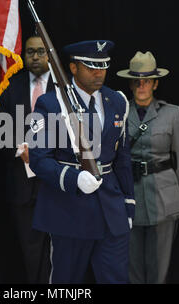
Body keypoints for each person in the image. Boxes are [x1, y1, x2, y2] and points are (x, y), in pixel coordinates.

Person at [29, 40, 135, 283]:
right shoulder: (51, 104)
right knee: (67, 281)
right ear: (73, 68)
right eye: (91, 67)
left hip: (111, 209)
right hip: (68, 208)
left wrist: (128, 204)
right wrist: (73, 177)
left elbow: (122, 158)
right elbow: (38, 159)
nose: (99, 73)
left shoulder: (117, 101)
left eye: (103, 66)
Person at [117, 51, 179, 283]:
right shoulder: (119, 112)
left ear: (155, 83)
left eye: (147, 80)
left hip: (164, 194)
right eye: (137, 81)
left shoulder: (172, 114)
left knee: (159, 268)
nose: (142, 85)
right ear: (130, 84)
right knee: (133, 267)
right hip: (130, 196)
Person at [0, 35, 53, 283]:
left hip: (56, 184)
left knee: (57, 251)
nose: (35, 56)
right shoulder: (10, 86)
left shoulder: (64, 88)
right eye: (30, 52)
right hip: (22, 185)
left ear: (49, 54)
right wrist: (21, 149)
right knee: (29, 251)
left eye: (40, 51)